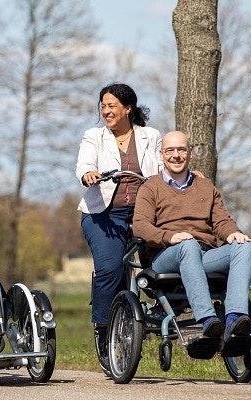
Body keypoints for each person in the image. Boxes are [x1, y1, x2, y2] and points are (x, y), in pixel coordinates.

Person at [133, 130, 251, 357]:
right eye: (170, 150)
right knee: (187, 245)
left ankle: (234, 320)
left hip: (202, 254)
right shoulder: (150, 188)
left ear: (189, 153)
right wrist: (170, 236)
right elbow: (140, 226)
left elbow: (222, 221)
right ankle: (208, 319)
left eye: (181, 150)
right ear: (161, 155)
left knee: (244, 246)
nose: (176, 155)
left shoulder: (205, 186)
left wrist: (233, 234)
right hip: (164, 256)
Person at [76, 83, 163, 359]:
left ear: (128, 109)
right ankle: (103, 327)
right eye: (103, 106)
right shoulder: (94, 136)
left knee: (160, 263)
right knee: (110, 269)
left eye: (112, 106)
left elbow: (163, 170)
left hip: (144, 213)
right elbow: (83, 165)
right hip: (104, 214)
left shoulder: (151, 136)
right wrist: (89, 173)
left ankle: (161, 312)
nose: (106, 111)